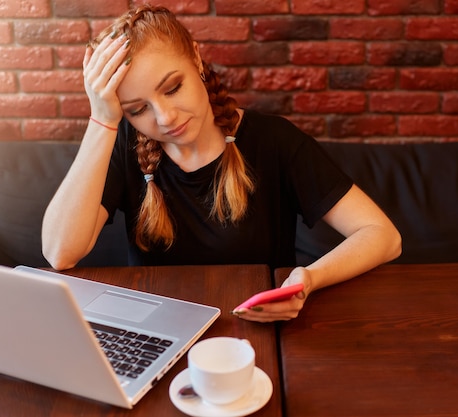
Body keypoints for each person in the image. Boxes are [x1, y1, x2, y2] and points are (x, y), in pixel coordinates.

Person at [42, 5, 401, 322]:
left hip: (254, 328)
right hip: (160, 333)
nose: (165, 118)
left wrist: (308, 279)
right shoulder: (124, 144)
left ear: (196, 59)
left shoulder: (274, 141)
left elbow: (383, 236)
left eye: (172, 88)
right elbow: (60, 253)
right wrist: (103, 121)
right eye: (137, 109)